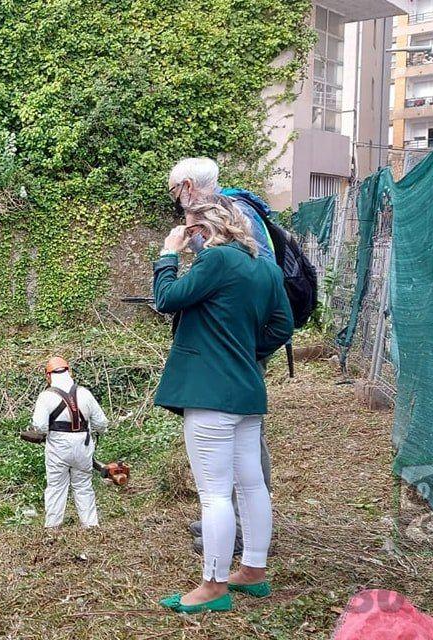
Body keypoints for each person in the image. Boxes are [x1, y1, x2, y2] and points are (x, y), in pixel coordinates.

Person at [151, 201, 293, 614]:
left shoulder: (214, 261)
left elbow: (167, 298)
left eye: (189, 228)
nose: (186, 234)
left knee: (213, 493)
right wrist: (247, 353)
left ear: (205, 229)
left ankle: (213, 586)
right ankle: (253, 570)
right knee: (250, 484)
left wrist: (168, 254)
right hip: (246, 392)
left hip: (209, 394)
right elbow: (283, 326)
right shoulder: (265, 266)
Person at [167, 157, 278, 552]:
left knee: (237, 457)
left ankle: (239, 529)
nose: (176, 202)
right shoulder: (232, 217)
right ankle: (232, 524)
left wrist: (245, 350)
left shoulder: (234, 215)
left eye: (174, 190)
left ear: (189, 187)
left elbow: (250, 280)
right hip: (236, 348)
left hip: (233, 352)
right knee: (238, 448)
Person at [30, 356, 110, 529]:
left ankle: (52, 528)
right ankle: (90, 526)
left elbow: (40, 426)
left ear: (48, 376)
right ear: (69, 372)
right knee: (83, 485)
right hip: (83, 446)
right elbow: (102, 423)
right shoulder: (84, 393)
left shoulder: (46, 397)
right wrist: (93, 432)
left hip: (58, 448)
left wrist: (43, 434)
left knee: (56, 487)